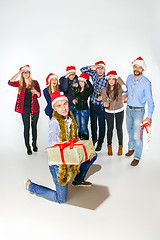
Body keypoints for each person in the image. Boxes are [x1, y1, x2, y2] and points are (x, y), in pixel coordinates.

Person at [25, 90, 97, 204]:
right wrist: (69, 144)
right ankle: (31, 186)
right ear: (54, 108)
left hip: (69, 155)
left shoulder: (70, 119)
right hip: (58, 163)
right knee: (61, 199)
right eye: (59, 106)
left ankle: (78, 180)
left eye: (65, 104)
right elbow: (53, 146)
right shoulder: (54, 123)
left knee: (92, 155)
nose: (63, 108)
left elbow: (75, 138)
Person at [123, 57, 155, 166]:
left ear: (143, 69)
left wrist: (149, 116)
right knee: (129, 130)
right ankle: (131, 148)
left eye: (139, 67)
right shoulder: (129, 77)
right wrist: (124, 95)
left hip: (139, 111)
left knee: (137, 135)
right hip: (128, 109)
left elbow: (150, 101)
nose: (137, 69)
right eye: (135, 66)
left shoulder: (146, 83)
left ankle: (137, 156)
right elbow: (127, 92)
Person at [8, 65, 41, 155]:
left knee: (34, 127)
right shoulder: (20, 83)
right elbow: (10, 82)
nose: (25, 74)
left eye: (27, 72)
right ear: (22, 74)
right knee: (27, 127)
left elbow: (39, 95)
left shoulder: (35, 82)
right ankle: (28, 146)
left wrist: (36, 92)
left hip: (34, 107)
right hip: (24, 109)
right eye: (24, 72)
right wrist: (19, 72)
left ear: (29, 73)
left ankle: (34, 143)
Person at [80, 61, 108, 151]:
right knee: (93, 123)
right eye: (98, 68)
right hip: (92, 103)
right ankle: (94, 139)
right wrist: (93, 66)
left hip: (101, 105)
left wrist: (104, 97)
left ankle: (100, 143)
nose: (100, 71)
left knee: (101, 124)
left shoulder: (108, 79)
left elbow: (112, 92)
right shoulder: (94, 74)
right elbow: (82, 70)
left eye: (101, 68)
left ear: (104, 69)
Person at [102, 70, 127, 156]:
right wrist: (105, 104)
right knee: (110, 129)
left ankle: (120, 147)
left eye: (113, 79)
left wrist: (118, 77)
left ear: (116, 80)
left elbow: (125, 88)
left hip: (119, 110)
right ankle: (109, 147)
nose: (111, 81)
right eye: (110, 79)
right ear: (107, 80)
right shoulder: (105, 89)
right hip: (109, 112)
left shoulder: (119, 88)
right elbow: (104, 101)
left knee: (119, 129)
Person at [73, 73, 94, 140]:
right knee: (78, 126)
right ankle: (80, 140)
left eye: (82, 82)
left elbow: (92, 89)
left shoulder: (87, 90)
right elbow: (75, 95)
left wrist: (87, 80)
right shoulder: (78, 89)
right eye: (80, 81)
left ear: (85, 82)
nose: (81, 83)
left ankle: (86, 142)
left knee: (84, 126)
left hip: (84, 110)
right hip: (77, 109)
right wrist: (75, 100)